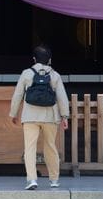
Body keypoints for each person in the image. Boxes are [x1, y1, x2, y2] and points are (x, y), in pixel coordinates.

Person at [9, 45, 69, 190]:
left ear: (34, 59)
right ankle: (54, 179)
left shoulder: (26, 74)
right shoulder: (55, 75)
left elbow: (17, 95)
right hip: (50, 116)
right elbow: (62, 97)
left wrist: (13, 113)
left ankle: (32, 179)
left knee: (30, 148)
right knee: (50, 146)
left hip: (30, 116)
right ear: (50, 60)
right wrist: (64, 116)